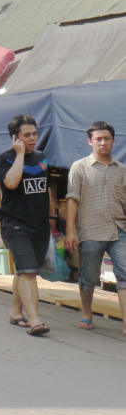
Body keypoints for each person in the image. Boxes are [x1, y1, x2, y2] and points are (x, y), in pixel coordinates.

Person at [63, 121, 126, 332]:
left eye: (107, 138)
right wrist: (70, 230)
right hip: (91, 229)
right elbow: (72, 199)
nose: (103, 143)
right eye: (98, 139)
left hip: (119, 229)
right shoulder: (79, 167)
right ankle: (87, 313)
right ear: (90, 141)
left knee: (125, 273)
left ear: (113, 141)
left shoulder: (122, 170)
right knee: (89, 275)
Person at [0, 114, 53, 335]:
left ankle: (15, 312)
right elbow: (11, 183)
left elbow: (45, 188)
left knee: (25, 270)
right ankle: (36, 320)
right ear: (15, 138)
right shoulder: (5, 159)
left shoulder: (41, 157)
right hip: (15, 225)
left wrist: (51, 217)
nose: (32, 138)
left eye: (34, 134)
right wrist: (19, 155)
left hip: (39, 225)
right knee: (28, 271)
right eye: (26, 135)